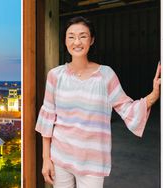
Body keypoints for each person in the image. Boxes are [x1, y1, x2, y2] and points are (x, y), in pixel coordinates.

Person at [35, 16, 161, 188]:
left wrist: (154, 94)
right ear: (65, 40)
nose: (77, 42)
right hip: (60, 157)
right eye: (71, 36)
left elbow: (127, 108)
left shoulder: (106, 75)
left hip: (92, 162)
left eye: (83, 36)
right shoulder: (55, 76)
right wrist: (46, 159)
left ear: (92, 40)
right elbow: (48, 119)